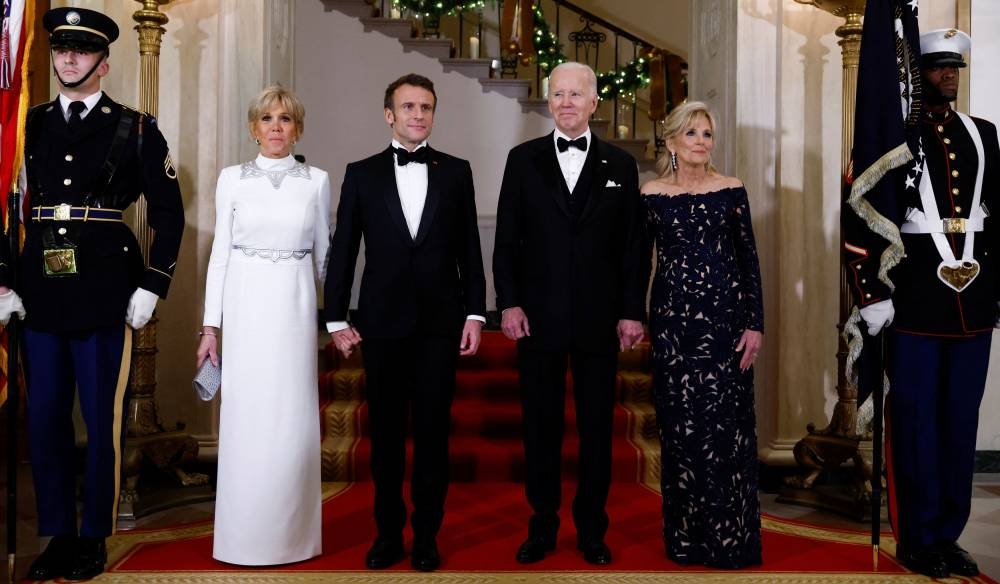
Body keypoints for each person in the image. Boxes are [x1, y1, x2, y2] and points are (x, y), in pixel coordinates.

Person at [0, 7, 184, 580]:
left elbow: (170, 214)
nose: (68, 59)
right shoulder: (28, 125)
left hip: (107, 289)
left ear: (103, 63)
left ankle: (94, 536)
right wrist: (6, 279)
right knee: (47, 419)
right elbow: (8, 209)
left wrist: (154, 283)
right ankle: (57, 533)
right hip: (41, 293)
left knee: (101, 420)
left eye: (80, 51)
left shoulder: (134, 127)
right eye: (61, 50)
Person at [846, 28, 997, 579]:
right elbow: (862, 211)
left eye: (954, 67)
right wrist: (871, 294)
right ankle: (916, 536)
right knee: (914, 423)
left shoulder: (984, 133)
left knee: (960, 422)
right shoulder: (895, 137)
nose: (948, 75)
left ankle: (948, 534)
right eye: (937, 67)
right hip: (913, 300)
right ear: (916, 74)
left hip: (973, 301)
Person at [324, 73, 486, 572]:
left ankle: (427, 538)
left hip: (440, 323)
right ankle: (388, 535)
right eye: (409, 106)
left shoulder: (457, 172)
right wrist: (334, 317)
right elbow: (345, 248)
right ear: (389, 114)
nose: (419, 114)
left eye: (427, 107)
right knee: (387, 438)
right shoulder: (362, 172)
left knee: (434, 437)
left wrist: (476, 313)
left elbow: (470, 251)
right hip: (383, 323)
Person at [493, 61, 647, 566]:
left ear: (594, 102)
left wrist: (631, 311)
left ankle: (591, 530)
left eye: (575, 94)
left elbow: (633, 249)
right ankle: (541, 526)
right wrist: (509, 302)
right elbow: (506, 240)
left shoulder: (622, 167)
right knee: (540, 429)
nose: (565, 102)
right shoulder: (522, 160)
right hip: (537, 319)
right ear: (548, 100)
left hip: (600, 322)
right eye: (557, 94)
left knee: (597, 431)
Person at [195, 85, 330, 566]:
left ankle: (293, 538)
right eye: (267, 118)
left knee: (291, 422)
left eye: (286, 119)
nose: (276, 127)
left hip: (293, 314)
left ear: (298, 127)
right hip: (246, 310)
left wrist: (335, 319)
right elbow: (220, 256)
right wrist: (211, 329)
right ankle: (242, 538)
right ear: (253, 127)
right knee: (246, 421)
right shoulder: (231, 179)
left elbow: (323, 260)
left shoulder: (317, 180)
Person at [639, 101, 764, 568]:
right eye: (691, 133)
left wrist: (756, 324)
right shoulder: (651, 193)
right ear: (671, 141)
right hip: (673, 329)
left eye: (707, 134)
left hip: (727, 327)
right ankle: (687, 541)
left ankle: (731, 543)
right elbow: (637, 264)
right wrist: (632, 315)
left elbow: (749, 262)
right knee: (681, 434)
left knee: (726, 433)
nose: (700, 142)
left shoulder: (732, 190)